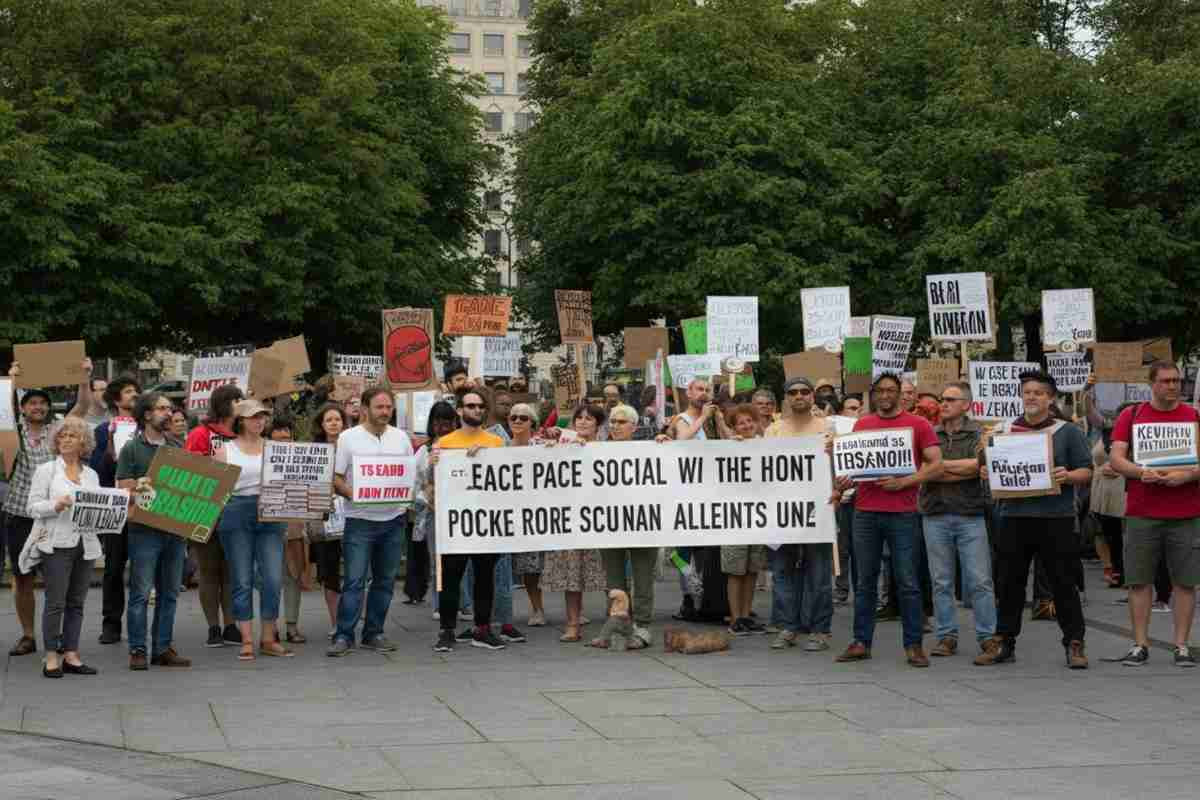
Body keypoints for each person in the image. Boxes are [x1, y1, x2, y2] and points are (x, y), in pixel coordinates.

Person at [978, 370, 1093, 669]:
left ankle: (1075, 643)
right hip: (1013, 517)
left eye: (1038, 393)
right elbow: (986, 468)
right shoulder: (1003, 430)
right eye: (1027, 392)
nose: (1031, 397)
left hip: (1056, 518)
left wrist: (1067, 476)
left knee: (1063, 583)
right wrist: (986, 466)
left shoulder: (1067, 432)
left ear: (1050, 398)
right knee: (1009, 584)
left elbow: (1086, 471)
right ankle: (1004, 641)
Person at [835, 373, 942, 668]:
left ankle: (913, 645)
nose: (884, 395)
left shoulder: (918, 424)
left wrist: (906, 481)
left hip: (903, 513)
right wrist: (844, 479)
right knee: (865, 580)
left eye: (890, 390)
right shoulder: (863, 424)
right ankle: (861, 642)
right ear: (873, 394)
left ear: (900, 394)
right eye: (879, 391)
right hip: (866, 511)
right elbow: (855, 466)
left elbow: (936, 464)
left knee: (907, 580)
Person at [1108, 361, 1200, 667]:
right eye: (1165, 381)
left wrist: (1187, 476)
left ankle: (1182, 645)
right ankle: (1140, 644)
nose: (1173, 386)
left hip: (1186, 511)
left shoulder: (1194, 416)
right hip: (1143, 510)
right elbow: (1116, 458)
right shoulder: (1131, 415)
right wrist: (1140, 471)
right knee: (1138, 580)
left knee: (1186, 582)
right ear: (1152, 383)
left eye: (1176, 381)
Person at [3, 358, 93, 657]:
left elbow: (81, 409)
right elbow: (5, 410)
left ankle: (61, 641)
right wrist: (13, 381)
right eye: (32, 403)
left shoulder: (59, 431)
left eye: (43, 402)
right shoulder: (11, 432)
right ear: (24, 407)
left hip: (57, 516)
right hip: (20, 514)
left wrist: (84, 377)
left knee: (59, 580)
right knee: (23, 576)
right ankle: (29, 635)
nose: (38, 407)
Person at [328, 387, 414, 656]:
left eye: (389, 407)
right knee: (354, 580)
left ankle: (374, 632)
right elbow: (336, 478)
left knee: (385, 581)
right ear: (365, 408)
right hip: (360, 520)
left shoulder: (401, 438)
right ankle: (344, 635)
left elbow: (407, 475)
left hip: (393, 520)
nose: (385, 412)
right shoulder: (348, 438)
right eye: (380, 407)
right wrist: (357, 494)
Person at [919, 381, 998, 664]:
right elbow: (923, 470)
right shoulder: (929, 432)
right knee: (941, 581)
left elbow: (978, 466)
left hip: (970, 513)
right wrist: (960, 469)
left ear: (966, 404)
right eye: (942, 398)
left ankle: (988, 636)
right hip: (935, 512)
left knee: (980, 580)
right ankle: (946, 636)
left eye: (951, 399)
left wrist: (940, 467)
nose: (944, 403)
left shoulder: (980, 433)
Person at [117, 391, 190, 670]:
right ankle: (138, 648)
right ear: (147, 415)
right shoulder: (132, 449)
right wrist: (142, 485)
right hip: (145, 529)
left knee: (170, 592)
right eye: (161, 408)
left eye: (170, 409)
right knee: (140, 592)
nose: (169, 413)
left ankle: (162, 648)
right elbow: (122, 487)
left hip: (174, 527)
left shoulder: (177, 445)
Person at [213, 400, 292, 660]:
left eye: (263, 417)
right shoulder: (224, 450)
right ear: (241, 420)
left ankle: (268, 637)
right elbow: (214, 490)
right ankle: (247, 638)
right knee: (242, 578)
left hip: (271, 512)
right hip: (236, 512)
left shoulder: (275, 448)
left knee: (272, 578)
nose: (259, 421)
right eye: (253, 417)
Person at [429, 390, 507, 652]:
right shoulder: (445, 443)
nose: (475, 410)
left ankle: (482, 628)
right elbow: (430, 482)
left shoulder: (495, 443)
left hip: (485, 519)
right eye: (469, 406)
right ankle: (447, 630)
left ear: (484, 410)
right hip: (454, 520)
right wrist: (432, 463)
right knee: (450, 576)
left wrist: (487, 456)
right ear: (460, 410)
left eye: (479, 406)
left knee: (485, 575)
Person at [764, 378, 836, 651]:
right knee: (782, 571)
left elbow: (839, 467)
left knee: (819, 572)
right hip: (782, 511)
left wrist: (838, 492)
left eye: (804, 392)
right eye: (793, 393)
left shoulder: (827, 429)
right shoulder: (773, 431)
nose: (799, 396)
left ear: (812, 396)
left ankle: (820, 629)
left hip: (818, 510)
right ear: (786, 398)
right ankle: (787, 626)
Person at [27, 417, 103, 677]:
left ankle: (71, 654)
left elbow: (99, 507)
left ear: (84, 442)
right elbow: (32, 506)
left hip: (86, 543)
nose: (66, 439)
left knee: (77, 602)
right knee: (55, 602)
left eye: (72, 435)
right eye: (62, 436)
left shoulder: (91, 474)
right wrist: (55, 505)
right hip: (57, 543)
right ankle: (50, 657)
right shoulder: (46, 470)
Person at [592, 404, 658, 649]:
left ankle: (642, 626)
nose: (615, 426)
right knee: (614, 581)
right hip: (609, 526)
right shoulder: (596, 452)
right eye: (612, 421)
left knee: (642, 579)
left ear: (634, 426)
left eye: (621, 422)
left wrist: (665, 442)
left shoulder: (650, 450)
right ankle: (618, 625)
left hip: (643, 525)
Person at [543, 405, 609, 642]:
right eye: (578, 418)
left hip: (601, 521)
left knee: (609, 575)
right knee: (572, 576)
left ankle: (616, 622)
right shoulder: (562, 446)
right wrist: (551, 448)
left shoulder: (607, 449)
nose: (582, 422)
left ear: (597, 424)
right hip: (570, 520)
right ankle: (573, 624)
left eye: (588, 418)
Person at [184, 384, 242, 647]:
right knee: (209, 572)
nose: (241, 404)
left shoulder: (244, 433)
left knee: (231, 571)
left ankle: (231, 625)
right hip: (205, 511)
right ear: (224, 404)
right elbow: (190, 470)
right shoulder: (200, 434)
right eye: (236, 400)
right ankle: (213, 627)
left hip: (236, 511)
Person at [90, 375, 141, 645]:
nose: (133, 395)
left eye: (136, 391)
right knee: (113, 567)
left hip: (145, 503)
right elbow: (99, 470)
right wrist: (110, 443)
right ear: (116, 400)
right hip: (117, 505)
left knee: (145, 566)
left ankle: (140, 623)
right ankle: (111, 624)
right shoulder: (103, 430)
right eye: (128, 391)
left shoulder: (150, 428)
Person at [720, 404, 769, 638]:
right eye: (741, 422)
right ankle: (735, 617)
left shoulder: (766, 445)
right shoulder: (728, 448)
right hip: (734, 517)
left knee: (751, 570)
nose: (747, 425)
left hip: (758, 517)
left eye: (750, 420)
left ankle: (747, 615)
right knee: (735, 570)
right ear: (733, 427)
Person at [416, 401, 463, 623]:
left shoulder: (464, 446)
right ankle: (439, 603)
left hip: (462, 512)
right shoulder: (423, 451)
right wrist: (429, 499)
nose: (443, 426)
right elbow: (416, 484)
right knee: (437, 561)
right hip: (435, 512)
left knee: (463, 561)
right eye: (438, 421)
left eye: (447, 421)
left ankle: (464, 604)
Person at [307, 403, 349, 638]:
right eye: (329, 420)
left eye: (338, 419)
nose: (334, 423)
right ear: (321, 425)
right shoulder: (313, 451)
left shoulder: (353, 446)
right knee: (329, 572)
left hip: (352, 515)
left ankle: (351, 619)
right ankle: (335, 623)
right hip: (325, 519)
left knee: (356, 571)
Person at [267, 414, 309, 645]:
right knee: (271, 580)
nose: (283, 436)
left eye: (287, 432)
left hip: (293, 525)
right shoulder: (261, 456)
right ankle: (270, 627)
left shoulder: (303, 457)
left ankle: (292, 626)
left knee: (293, 576)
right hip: (267, 525)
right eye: (278, 431)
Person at [509, 402, 551, 627]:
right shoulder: (500, 449)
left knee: (555, 563)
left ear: (532, 423)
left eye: (522, 418)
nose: (517, 421)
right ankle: (537, 609)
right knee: (529, 567)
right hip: (518, 516)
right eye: (513, 417)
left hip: (547, 513)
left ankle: (577, 609)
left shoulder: (544, 446)